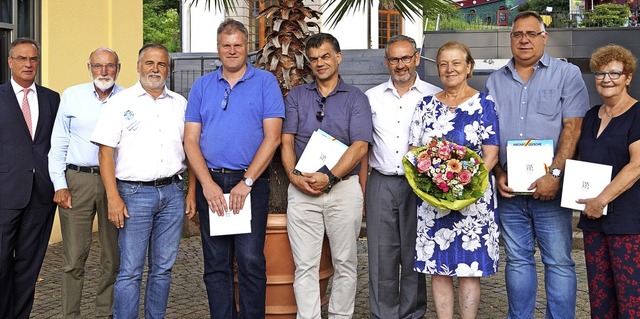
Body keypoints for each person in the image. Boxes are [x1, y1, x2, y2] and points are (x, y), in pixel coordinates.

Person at [485, 11, 589, 318]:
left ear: (544, 37)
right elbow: (488, 134)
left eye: (531, 34)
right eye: (518, 34)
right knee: (517, 260)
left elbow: (573, 128)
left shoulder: (565, 75)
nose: (524, 40)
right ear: (511, 39)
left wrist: (555, 175)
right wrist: (499, 174)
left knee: (558, 260)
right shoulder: (495, 80)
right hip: (509, 193)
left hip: (551, 191)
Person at [183, 19, 284, 318]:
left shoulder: (265, 82)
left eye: (238, 45)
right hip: (211, 182)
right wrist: (207, 185)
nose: (232, 50)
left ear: (247, 48)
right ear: (218, 49)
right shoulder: (202, 86)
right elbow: (190, 141)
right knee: (216, 262)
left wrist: (248, 181)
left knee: (251, 259)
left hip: (250, 184)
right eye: (226, 45)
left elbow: (273, 137)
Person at [90, 43, 196, 318]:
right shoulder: (119, 104)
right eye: (149, 63)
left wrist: (191, 192)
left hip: (173, 193)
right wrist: (113, 197)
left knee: (162, 269)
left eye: (161, 64)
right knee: (131, 270)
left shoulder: (180, 104)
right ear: (138, 66)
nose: (155, 69)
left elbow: (192, 149)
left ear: (168, 69)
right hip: (133, 194)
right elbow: (105, 153)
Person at [281, 32, 372, 318]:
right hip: (302, 188)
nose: (320, 63)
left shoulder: (356, 98)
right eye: (314, 59)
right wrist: (294, 178)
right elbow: (286, 141)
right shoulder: (296, 96)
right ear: (309, 63)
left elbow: (360, 147)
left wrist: (329, 177)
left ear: (338, 57)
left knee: (346, 262)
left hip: (343, 189)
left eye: (325, 56)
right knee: (305, 264)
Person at [409, 40, 500, 319]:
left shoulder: (484, 104)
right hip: (433, 202)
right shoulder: (424, 105)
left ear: (469, 67)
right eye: (443, 64)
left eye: (456, 63)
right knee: (439, 268)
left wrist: (463, 191)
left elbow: (492, 154)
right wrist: (436, 188)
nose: (450, 69)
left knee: (470, 268)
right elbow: (414, 153)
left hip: (473, 202)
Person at [363, 34, 439, 319]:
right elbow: (363, 146)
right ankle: (383, 314)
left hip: (419, 186)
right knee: (381, 254)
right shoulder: (371, 98)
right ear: (386, 62)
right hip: (381, 181)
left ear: (416, 58)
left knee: (413, 253)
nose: (400, 64)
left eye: (406, 57)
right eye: (394, 59)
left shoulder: (434, 96)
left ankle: (412, 314)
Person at [48, 47, 122, 318]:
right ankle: (71, 315)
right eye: (98, 66)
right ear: (89, 67)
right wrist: (59, 184)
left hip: (114, 184)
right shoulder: (72, 96)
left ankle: (104, 313)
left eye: (110, 66)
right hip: (77, 180)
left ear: (119, 67)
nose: (104, 71)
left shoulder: (128, 98)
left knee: (112, 257)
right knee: (73, 258)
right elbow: (58, 142)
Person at [576, 44, 640, 318]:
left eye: (614, 73)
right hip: (594, 219)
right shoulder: (591, 116)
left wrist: (601, 199)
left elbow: (636, 165)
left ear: (628, 77)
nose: (606, 79)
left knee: (631, 297)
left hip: (628, 220)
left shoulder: (637, 114)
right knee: (600, 297)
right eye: (600, 73)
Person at [0, 37, 60, 319]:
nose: (28, 64)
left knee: (29, 265)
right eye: (21, 58)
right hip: (4, 195)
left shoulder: (52, 98)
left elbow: (57, 144)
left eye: (33, 59)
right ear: (10, 62)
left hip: (41, 196)